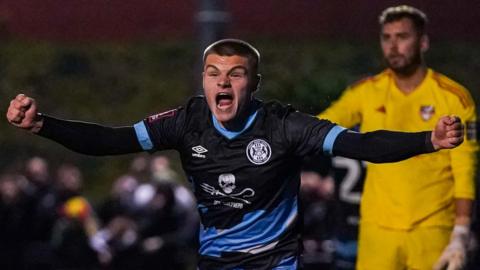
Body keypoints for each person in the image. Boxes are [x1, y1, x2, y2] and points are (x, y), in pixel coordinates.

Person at [6, 38, 465, 270]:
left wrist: (427, 140)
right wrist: (44, 124)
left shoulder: (284, 125)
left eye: (235, 74)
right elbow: (111, 140)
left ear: (254, 84)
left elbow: (361, 144)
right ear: (203, 81)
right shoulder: (186, 121)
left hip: (276, 262)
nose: (222, 83)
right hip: (216, 262)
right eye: (213, 73)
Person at [318, 5, 477, 270]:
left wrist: (460, 233)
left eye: (402, 37)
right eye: (386, 37)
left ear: (423, 42)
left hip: (433, 227)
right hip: (377, 230)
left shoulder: (453, 97)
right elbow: (322, 125)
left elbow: (465, 169)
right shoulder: (367, 91)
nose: (393, 45)